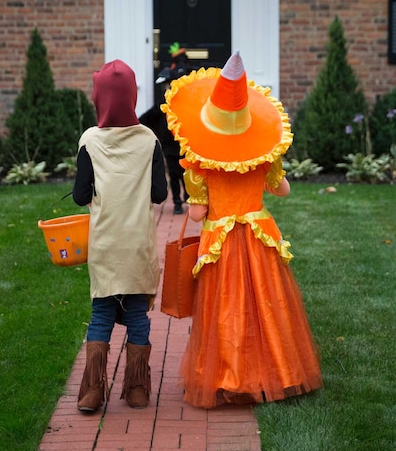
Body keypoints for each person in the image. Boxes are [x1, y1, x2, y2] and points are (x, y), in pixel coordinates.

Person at [162, 50, 323, 408]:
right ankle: (280, 372)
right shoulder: (263, 155)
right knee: (268, 304)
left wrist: (196, 201)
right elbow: (282, 189)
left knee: (225, 307)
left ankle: (227, 376)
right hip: (258, 235)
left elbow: (198, 214)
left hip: (221, 239)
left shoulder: (200, 161)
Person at [72, 59, 168, 412]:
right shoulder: (149, 140)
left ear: (99, 98)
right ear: (132, 97)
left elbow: (82, 195)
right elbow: (159, 194)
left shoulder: (90, 140)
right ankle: (138, 388)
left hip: (105, 245)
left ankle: (92, 391)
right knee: (137, 317)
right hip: (138, 246)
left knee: (100, 315)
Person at [139, 42, 192, 214]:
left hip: (184, 144)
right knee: (174, 174)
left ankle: (189, 197)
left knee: (185, 172)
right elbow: (147, 118)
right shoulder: (162, 105)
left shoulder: (186, 105)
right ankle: (176, 200)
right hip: (169, 146)